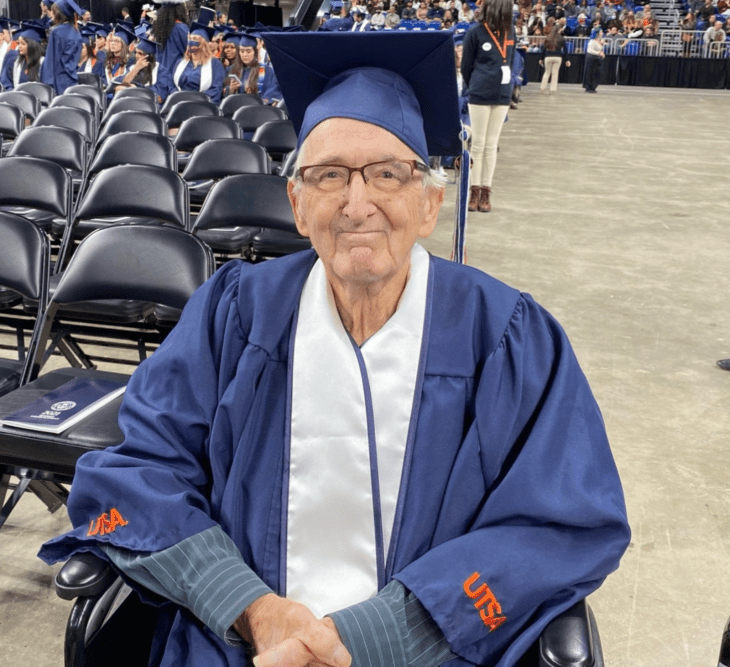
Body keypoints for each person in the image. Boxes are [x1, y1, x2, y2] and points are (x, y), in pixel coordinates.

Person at [39, 29, 629, 667]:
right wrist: (252, 609)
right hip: (238, 644)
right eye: (328, 176)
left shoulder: (507, 334)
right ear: (297, 202)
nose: (357, 202)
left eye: (387, 174)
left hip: (433, 649)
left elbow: (563, 521)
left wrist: (382, 632)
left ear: (429, 203)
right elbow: (138, 470)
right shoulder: (235, 313)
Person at [461, 0, 515, 213]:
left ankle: (486, 192)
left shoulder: (510, 32)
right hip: (480, 93)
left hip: (502, 94)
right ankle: (474, 192)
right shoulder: (475, 33)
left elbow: (509, 61)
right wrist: (476, 84)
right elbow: (466, 66)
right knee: (478, 144)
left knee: (492, 145)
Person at [171, 22, 225, 104]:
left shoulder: (214, 64)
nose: (191, 42)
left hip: (201, 106)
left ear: (203, 43)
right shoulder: (181, 62)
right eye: (190, 39)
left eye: (195, 39)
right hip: (179, 102)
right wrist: (177, 97)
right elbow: (172, 84)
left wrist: (194, 102)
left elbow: (215, 89)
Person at [40, 0, 83, 94]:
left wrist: (47, 85)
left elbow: (50, 61)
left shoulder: (57, 32)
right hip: (72, 81)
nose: (52, 15)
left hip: (58, 83)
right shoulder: (77, 33)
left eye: (53, 12)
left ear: (58, 14)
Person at [115, 36, 172, 104]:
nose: (136, 56)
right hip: (130, 104)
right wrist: (135, 69)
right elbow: (123, 84)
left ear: (149, 57)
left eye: (140, 53)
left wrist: (136, 88)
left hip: (149, 106)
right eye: (136, 52)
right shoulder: (133, 67)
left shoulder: (161, 72)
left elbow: (159, 98)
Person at [236, 33, 281, 103]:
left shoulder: (265, 70)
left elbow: (270, 94)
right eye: (242, 51)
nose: (245, 55)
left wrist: (253, 95)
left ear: (255, 52)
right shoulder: (234, 70)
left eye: (248, 51)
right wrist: (232, 89)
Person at [0, 23, 45, 91]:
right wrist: (11, 92)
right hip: (16, 99)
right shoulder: (14, 62)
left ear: (32, 46)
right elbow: (6, 81)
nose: (19, 46)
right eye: (18, 43)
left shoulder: (43, 63)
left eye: (23, 44)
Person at [152, 0, 190, 74]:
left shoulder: (158, 28)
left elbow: (136, 31)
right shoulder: (181, 28)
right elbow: (189, 50)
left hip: (160, 72)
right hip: (174, 72)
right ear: (179, 11)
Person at [539, 23, 570, 93]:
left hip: (548, 57)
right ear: (559, 30)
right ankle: (552, 90)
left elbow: (543, 49)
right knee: (555, 73)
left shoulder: (548, 38)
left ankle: (542, 88)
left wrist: (541, 58)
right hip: (558, 57)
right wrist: (567, 59)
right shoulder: (562, 39)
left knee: (547, 73)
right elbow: (565, 50)